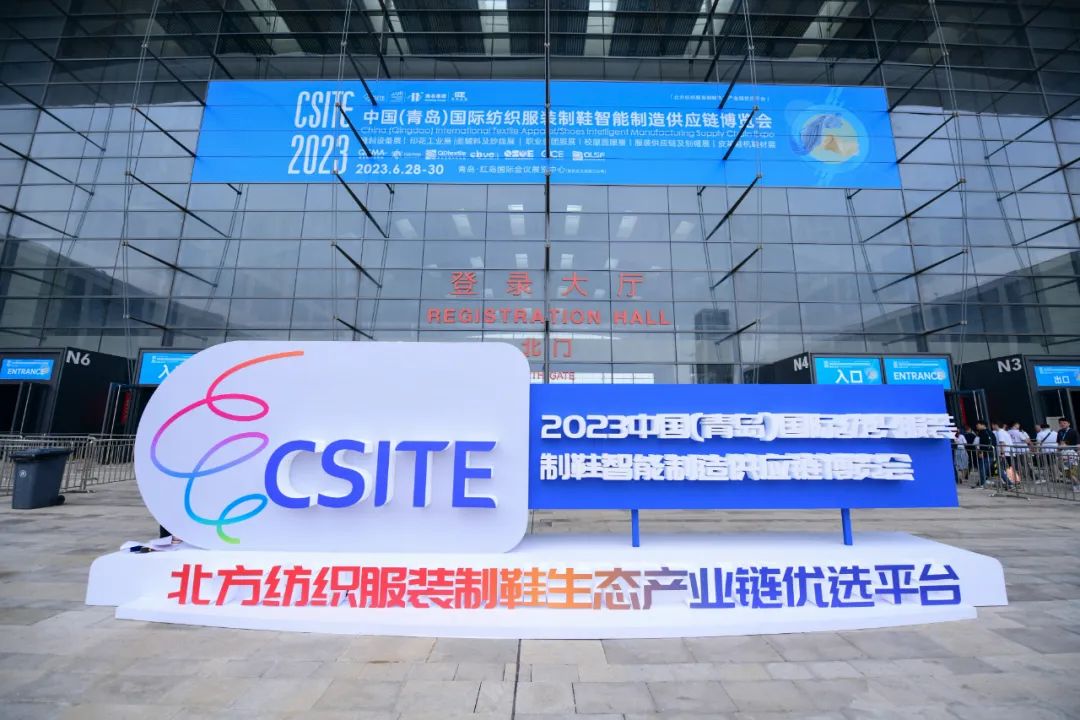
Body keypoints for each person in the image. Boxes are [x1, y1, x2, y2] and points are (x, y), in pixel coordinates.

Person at [973, 421, 996, 488]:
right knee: (998, 469)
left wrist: (982, 452)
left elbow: (987, 443)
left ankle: (982, 483)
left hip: (987, 454)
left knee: (982, 468)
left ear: (983, 425)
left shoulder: (985, 433)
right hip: (990, 453)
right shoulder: (988, 432)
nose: (977, 426)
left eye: (978, 425)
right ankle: (1009, 483)